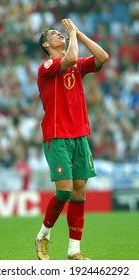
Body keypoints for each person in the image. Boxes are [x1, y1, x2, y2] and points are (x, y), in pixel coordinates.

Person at [35, 18, 109, 260]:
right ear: (47, 44)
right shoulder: (47, 66)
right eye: (55, 34)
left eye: (61, 32)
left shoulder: (76, 63)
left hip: (79, 136)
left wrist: (78, 32)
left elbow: (102, 57)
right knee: (64, 191)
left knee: (79, 193)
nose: (60, 34)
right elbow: (67, 59)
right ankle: (43, 235)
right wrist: (72, 37)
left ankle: (73, 251)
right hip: (57, 136)